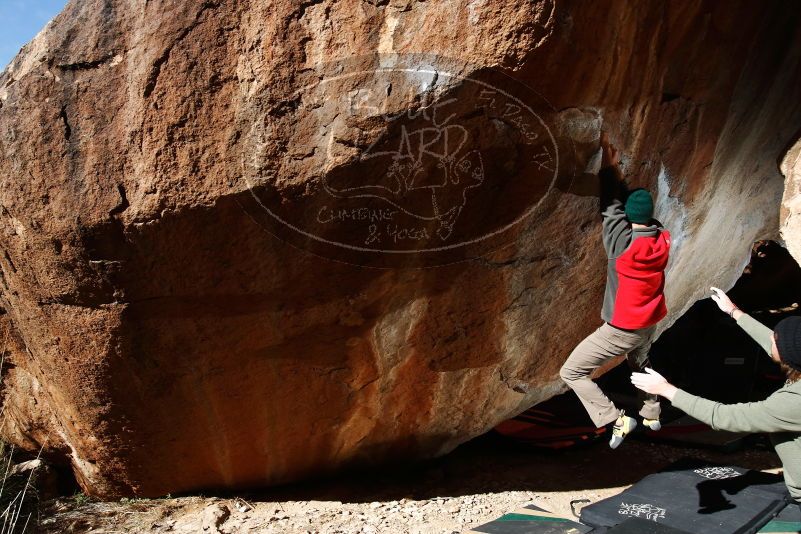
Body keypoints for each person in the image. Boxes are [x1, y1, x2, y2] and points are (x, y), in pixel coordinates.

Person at [632, 287, 801, 502]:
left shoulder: (793, 402)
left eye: (777, 339)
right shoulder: (796, 363)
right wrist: (734, 311)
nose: (772, 339)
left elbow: (725, 417)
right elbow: (776, 344)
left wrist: (666, 390)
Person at [560, 132, 672, 449]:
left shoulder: (622, 247)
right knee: (641, 361)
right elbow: (621, 206)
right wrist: (618, 175)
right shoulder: (661, 236)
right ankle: (652, 412)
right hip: (648, 322)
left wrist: (609, 167)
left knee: (572, 371)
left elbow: (610, 205)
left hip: (621, 328)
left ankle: (615, 419)